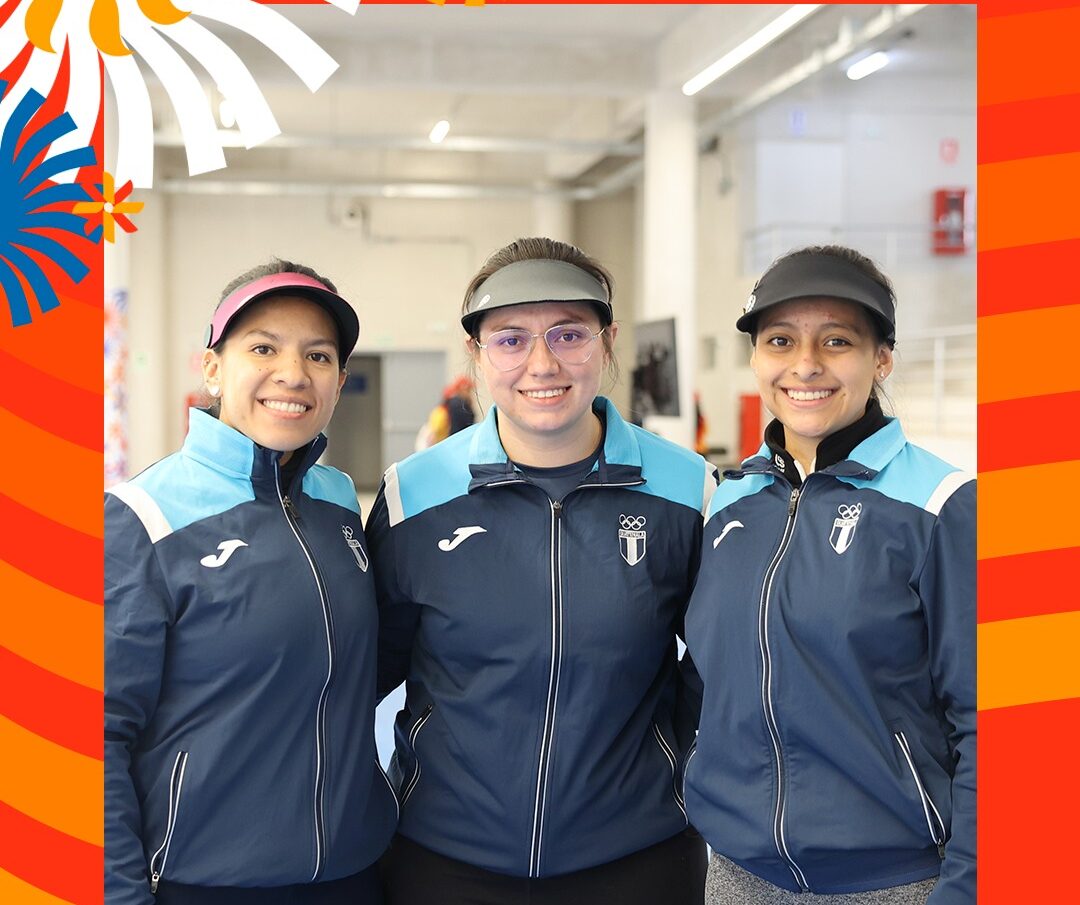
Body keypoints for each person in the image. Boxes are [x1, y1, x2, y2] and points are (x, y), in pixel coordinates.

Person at [369, 237, 717, 905]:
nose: (542, 363)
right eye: (510, 340)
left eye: (569, 334)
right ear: (476, 353)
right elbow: (365, 667)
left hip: (637, 857)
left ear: (608, 342)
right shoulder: (413, 495)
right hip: (444, 857)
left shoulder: (686, 488)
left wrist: (665, 762)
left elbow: (721, 656)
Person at [683, 245, 975, 904]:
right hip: (738, 874)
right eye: (780, 340)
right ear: (756, 358)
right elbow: (705, 679)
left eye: (837, 340)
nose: (805, 364)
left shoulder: (943, 506)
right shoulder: (729, 503)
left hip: (895, 880)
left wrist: (969, 887)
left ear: (882, 358)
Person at [105, 261, 398, 905]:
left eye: (318, 355)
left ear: (339, 381)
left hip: (351, 873)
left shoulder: (338, 501)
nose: (293, 374)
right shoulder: (143, 518)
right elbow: (92, 733)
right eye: (263, 348)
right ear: (213, 369)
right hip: (206, 882)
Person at [414, 376, 476, 450]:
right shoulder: (459, 405)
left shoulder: (448, 405)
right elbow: (464, 426)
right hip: (457, 442)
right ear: (463, 389)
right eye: (469, 390)